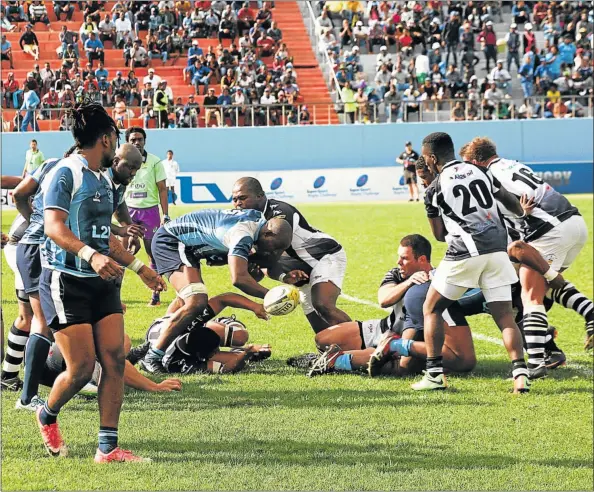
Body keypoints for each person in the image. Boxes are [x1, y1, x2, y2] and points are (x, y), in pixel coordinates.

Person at [36, 103, 166, 462]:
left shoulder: (106, 180)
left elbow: (102, 234)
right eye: (116, 140)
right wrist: (89, 255)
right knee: (79, 370)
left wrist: (140, 268)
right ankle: (46, 414)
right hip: (67, 281)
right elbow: (54, 228)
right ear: (106, 139)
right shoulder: (65, 173)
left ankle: (107, 448)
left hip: (104, 281)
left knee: (113, 358)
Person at [416, 132, 530, 393]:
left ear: (432, 158)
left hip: (465, 252)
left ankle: (434, 374)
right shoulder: (478, 170)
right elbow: (510, 202)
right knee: (504, 317)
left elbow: (439, 236)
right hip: (498, 250)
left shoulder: (435, 188)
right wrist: (523, 212)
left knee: (432, 308)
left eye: (426, 159)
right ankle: (520, 374)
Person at [464, 138, 594, 363]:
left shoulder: (488, 176)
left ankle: (535, 363)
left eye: (468, 165)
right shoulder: (513, 164)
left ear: (476, 161)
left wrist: (520, 214)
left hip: (550, 230)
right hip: (574, 222)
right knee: (543, 282)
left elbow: (513, 213)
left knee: (530, 294)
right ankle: (585, 317)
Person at [139, 209, 292, 373]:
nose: (273, 252)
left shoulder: (258, 220)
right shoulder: (242, 234)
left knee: (188, 303)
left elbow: (256, 263)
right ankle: (152, 356)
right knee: (196, 301)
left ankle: (147, 349)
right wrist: (272, 296)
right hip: (172, 241)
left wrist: (284, 276)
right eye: (274, 247)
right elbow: (239, 279)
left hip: (188, 247)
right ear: (268, 233)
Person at [308, 234, 476, 378]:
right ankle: (381, 352)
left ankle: (339, 360)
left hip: (413, 332)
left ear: (422, 259)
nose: (399, 262)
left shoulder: (436, 280)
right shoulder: (396, 274)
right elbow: (384, 300)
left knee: (402, 368)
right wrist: (409, 282)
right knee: (323, 340)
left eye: (404, 258)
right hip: (387, 327)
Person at [231, 177, 351, 334]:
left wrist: (242, 261)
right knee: (313, 314)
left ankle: (366, 343)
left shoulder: (280, 213)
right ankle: (328, 352)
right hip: (298, 264)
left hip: (325, 255)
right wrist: (280, 275)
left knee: (323, 305)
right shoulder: (243, 221)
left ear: (260, 196)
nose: (238, 203)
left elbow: (269, 258)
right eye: (234, 199)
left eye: (243, 198)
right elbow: (262, 268)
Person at [133, 292, 272, 375]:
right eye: (213, 352)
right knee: (238, 357)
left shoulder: (191, 322)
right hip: (164, 338)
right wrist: (246, 353)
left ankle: (221, 323)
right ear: (199, 357)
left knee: (241, 336)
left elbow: (223, 299)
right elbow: (225, 369)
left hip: (168, 326)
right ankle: (240, 351)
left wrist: (255, 307)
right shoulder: (175, 363)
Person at [124, 127, 169, 306]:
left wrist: (166, 214)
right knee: (120, 253)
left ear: (145, 141)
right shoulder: (120, 161)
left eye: (140, 139)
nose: (137, 142)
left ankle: (155, 295)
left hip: (150, 212)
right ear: (127, 142)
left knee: (152, 254)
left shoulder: (155, 162)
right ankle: (113, 295)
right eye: (133, 139)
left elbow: (162, 189)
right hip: (127, 212)